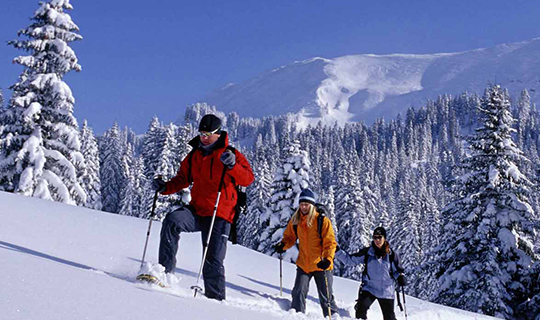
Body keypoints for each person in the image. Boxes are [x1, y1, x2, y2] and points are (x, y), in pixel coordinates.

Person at [152, 114, 254, 301]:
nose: (204, 138)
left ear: (218, 133)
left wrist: (232, 165)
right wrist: (165, 187)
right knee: (172, 221)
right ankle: (164, 274)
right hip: (197, 210)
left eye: (208, 134)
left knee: (212, 259)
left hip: (220, 214)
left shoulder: (230, 153)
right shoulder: (194, 155)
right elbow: (183, 179)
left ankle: (214, 301)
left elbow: (248, 178)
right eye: (201, 133)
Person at [273, 188, 339, 318]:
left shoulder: (321, 221)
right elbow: (290, 237)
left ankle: (333, 317)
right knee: (298, 293)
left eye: (306, 204)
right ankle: (297, 316)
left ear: (312, 205)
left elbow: (330, 242)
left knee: (326, 298)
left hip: (321, 265)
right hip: (304, 264)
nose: (303, 207)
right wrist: (283, 245)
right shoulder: (296, 220)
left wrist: (328, 259)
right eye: (301, 204)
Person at [335, 227, 407, 320]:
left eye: (379, 237)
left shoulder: (391, 255)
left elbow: (398, 271)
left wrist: (401, 277)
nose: (377, 240)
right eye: (375, 237)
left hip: (386, 291)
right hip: (370, 288)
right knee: (361, 309)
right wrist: (337, 252)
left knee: (389, 317)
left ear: (384, 238)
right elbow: (350, 260)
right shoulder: (368, 253)